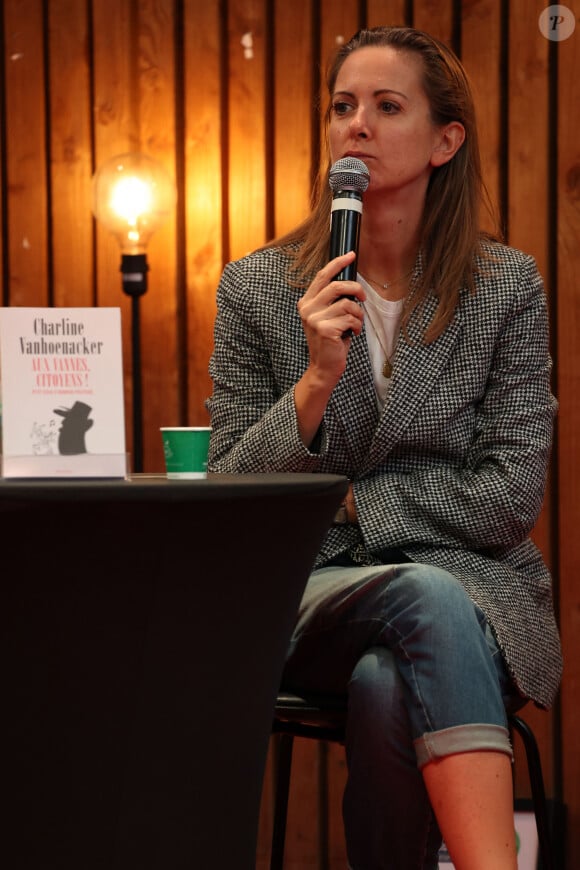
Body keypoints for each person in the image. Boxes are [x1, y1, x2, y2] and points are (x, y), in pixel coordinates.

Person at [205, 25, 562, 870]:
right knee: (422, 600)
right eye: (342, 106)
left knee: (386, 679)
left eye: (385, 106)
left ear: (447, 140)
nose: (355, 125)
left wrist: (363, 501)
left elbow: (510, 493)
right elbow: (228, 490)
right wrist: (314, 385)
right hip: (306, 590)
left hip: (479, 596)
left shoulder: (506, 287)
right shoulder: (259, 287)